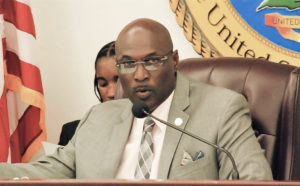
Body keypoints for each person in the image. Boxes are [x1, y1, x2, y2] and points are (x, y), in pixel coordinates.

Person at [0, 18, 273, 180]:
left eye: (152, 61)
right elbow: (48, 171)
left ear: (174, 60)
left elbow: (254, 179)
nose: (140, 74)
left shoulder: (221, 108)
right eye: (128, 64)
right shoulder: (99, 117)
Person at [58, 41, 118, 146]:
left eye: (118, 81)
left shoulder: (149, 129)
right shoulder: (73, 132)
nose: (111, 93)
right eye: (103, 84)